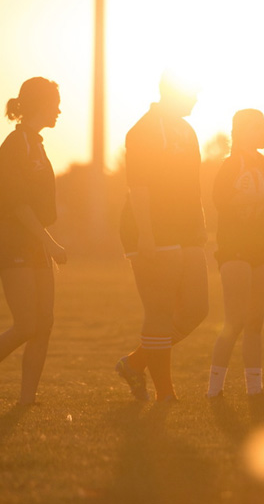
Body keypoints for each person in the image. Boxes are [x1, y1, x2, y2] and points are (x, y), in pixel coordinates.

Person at [0, 77, 68, 407]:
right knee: (26, 325)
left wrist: (45, 240)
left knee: (43, 325)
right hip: (14, 241)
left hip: (34, 241)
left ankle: (27, 401)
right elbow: (17, 204)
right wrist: (50, 242)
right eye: (55, 103)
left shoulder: (36, 143)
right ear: (41, 104)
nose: (60, 110)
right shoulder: (16, 144)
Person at [115, 71, 209, 402]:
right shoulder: (143, 130)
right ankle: (165, 394)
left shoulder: (186, 129)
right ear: (173, 94)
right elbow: (138, 186)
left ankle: (134, 363)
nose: (197, 98)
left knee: (197, 308)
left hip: (185, 230)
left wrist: (200, 226)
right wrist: (146, 235)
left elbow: (192, 185)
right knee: (159, 311)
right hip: (151, 228)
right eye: (192, 92)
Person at [206, 109, 264, 398]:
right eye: (259, 127)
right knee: (235, 322)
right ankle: (214, 390)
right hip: (234, 249)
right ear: (242, 131)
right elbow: (222, 201)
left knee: (255, 324)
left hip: (261, 250)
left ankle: (255, 390)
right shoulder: (230, 165)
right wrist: (261, 198)